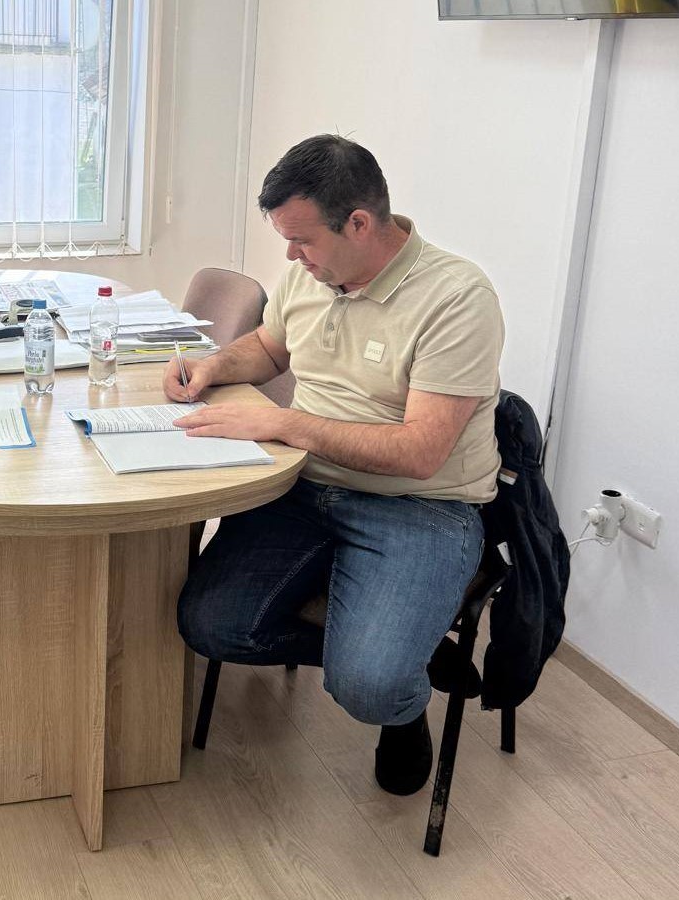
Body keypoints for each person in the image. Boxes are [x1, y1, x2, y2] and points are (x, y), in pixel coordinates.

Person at [166, 134, 503, 795]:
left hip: (420, 507)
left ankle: (395, 698)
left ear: (359, 223)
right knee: (208, 626)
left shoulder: (457, 297)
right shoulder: (312, 274)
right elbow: (270, 349)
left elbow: (420, 453)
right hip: (305, 488)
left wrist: (284, 423)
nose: (291, 257)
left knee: (370, 687)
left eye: (302, 240)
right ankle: (401, 658)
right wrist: (211, 366)